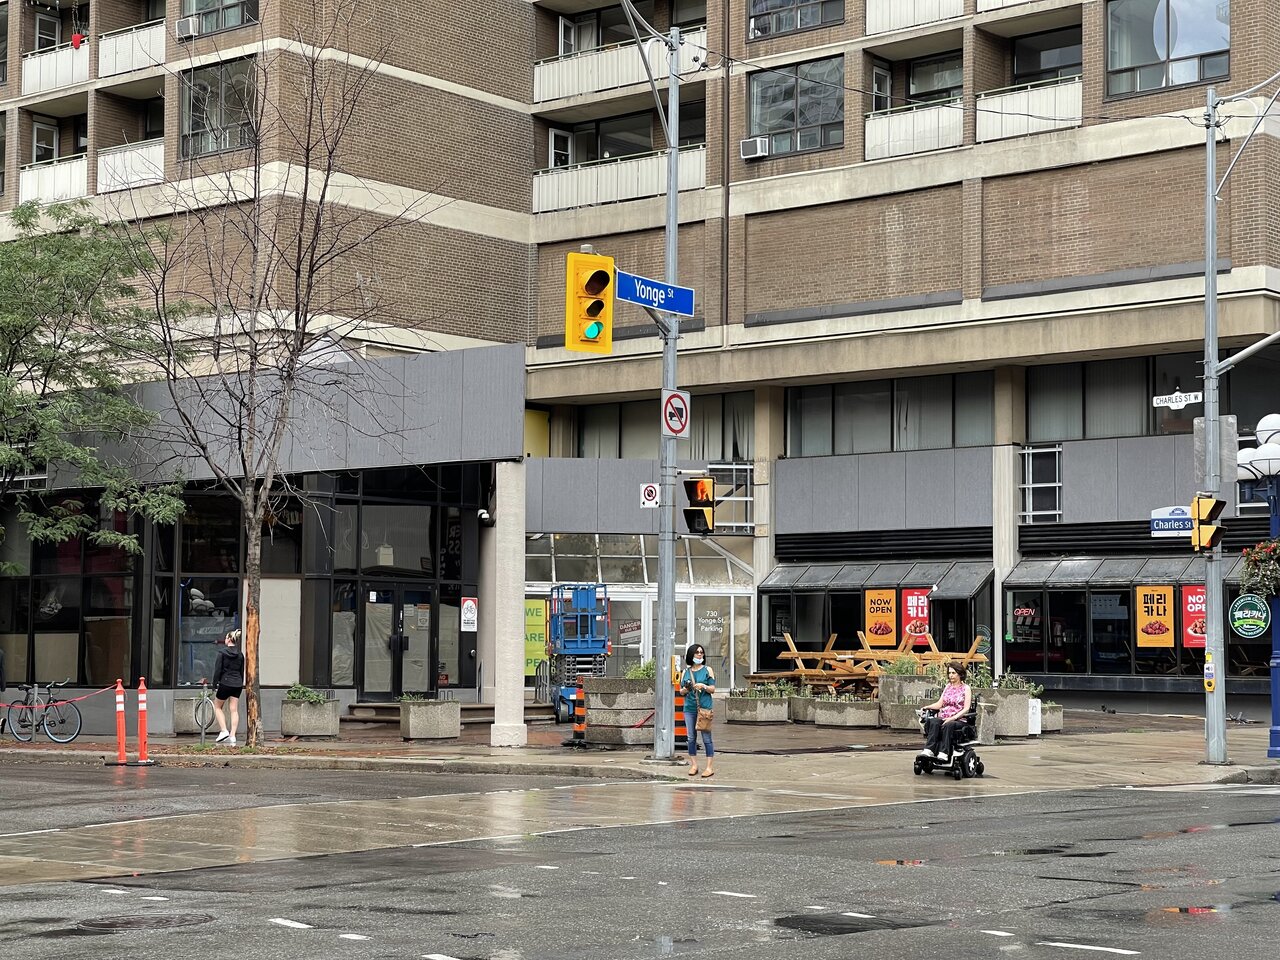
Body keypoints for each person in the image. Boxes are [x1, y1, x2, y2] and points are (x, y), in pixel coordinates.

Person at [919, 661, 972, 763]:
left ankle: (944, 752)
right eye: (949, 673)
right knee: (934, 721)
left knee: (949, 724)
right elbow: (940, 704)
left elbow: (966, 708)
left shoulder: (966, 688)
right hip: (944, 717)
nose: (951, 675)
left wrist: (953, 718)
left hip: (959, 719)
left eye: (953, 673)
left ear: (960, 674)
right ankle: (929, 749)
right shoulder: (948, 687)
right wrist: (928, 707)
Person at [679, 643, 716, 779]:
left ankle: (709, 767)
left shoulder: (708, 670)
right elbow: (681, 691)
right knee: (691, 738)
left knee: (706, 737)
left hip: (705, 707)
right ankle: (694, 765)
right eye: (697, 652)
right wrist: (686, 689)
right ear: (691, 655)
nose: (700, 654)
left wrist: (704, 686)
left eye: (701, 652)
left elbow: (713, 689)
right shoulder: (685, 672)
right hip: (689, 707)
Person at [211, 629, 245, 746]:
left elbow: (217, 670)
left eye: (226, 637)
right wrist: (240, 682)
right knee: (234, 709)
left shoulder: (222, 653)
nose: (225, 639)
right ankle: (233, 735)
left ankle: (224, 730)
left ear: (229, 639)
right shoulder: (240, 654)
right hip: (237, 684)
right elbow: (241, 671)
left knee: (217, 706)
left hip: (225, 683)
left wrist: (214, 684)